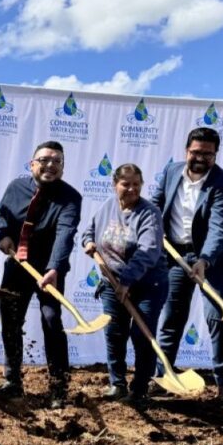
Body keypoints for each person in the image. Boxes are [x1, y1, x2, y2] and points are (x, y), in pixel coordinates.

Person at [151, 127, 223, 403]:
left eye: (208, 154)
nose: (200, 158)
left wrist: (204, 259)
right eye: (196, 152)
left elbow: (219, 227)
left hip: (210, 261)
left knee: (218, 319)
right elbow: (156, 204)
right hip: (175, 257)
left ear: (215, 155)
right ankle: (162, 377)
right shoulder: (171, 172)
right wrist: (153, 227)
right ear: (186, 150)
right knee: (171, 319)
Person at [0, 140, 81, 409]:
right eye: (44, 160)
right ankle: (12, 381)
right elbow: (2, 215)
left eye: (57, 161)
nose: (50, 165)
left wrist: (54, 267)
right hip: (17, 267)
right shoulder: (16, 187)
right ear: (32, 164)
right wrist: (4, 235)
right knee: (10, 322)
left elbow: (65, 233)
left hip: (48, 271)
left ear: (63, 168)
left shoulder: (70, 197)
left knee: (52, 321)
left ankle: (58, 387)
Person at [82, 164, 168, 407]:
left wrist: (127, 281)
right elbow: (89, 231)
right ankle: (117, 383)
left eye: (136, 184)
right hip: (112, 281)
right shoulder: (107, 207)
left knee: (142, 335)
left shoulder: (149, 213)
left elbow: (148, 250)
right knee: (114, 333)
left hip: (148, 283)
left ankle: (139, 389)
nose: (131, 189)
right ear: (115, 184)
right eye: (125, 184)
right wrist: (89, 242)